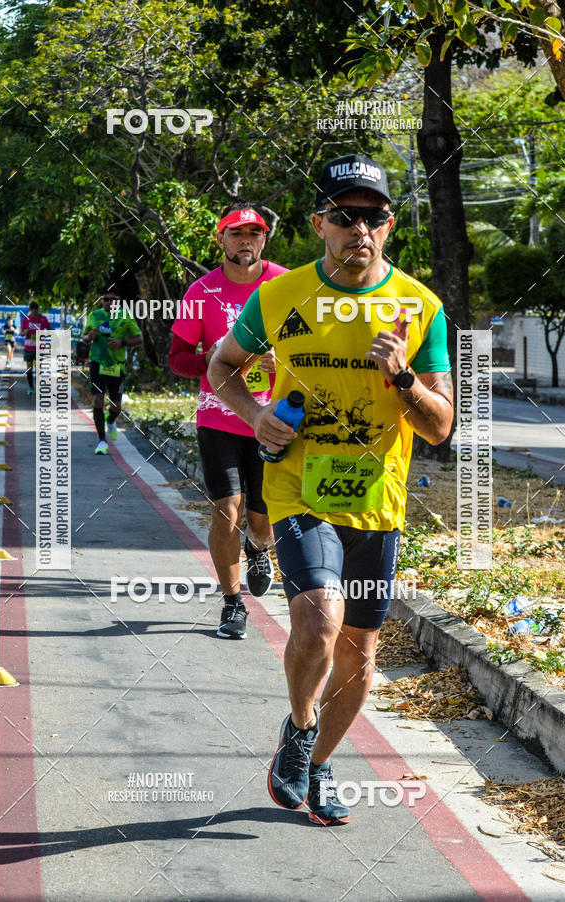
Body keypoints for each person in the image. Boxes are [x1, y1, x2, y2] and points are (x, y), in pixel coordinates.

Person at [208, 154, 454, 824]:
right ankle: (298, 724)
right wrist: (257, 415)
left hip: (378, 500)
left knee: (361, 658)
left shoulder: (420, 307)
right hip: (298, 489)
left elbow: (440, 427)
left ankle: (314, 762)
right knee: (319, 617)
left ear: (390, 225)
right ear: (320, 225)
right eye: (345, 216)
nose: (360, 228)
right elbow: (222, 366)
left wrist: (403, 378)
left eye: (373, 216)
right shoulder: (281, 298)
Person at [168, 202, 288, 640]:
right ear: (221, 240)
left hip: (274, 419)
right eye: (236, 234)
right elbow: (178, 360)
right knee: (226, 510)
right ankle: (232, 603)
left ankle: (258, 548)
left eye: (253, 234)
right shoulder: (201, 293)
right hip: (219, 417)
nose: (245, 242)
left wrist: (283, 361)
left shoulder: (287, 286)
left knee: (262, 518)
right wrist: (216, 357)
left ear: (264, 240)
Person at [83, 287, 143, 454]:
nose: (109, 302)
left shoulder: (125, 315)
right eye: (106, 299)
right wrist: (90, 337)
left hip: (117, 365)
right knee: (98, 400)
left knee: (116, 405)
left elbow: (139, 338)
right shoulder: (94, 316)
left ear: (118, 300)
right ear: (101, 300)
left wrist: (122, 342)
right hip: (97, 363)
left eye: (113, 299)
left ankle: (111, 419)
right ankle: (102, 441)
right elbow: (85, 336)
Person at [21, 301, 51, 394]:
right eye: (32, 310)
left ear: (38, 309)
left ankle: (38, 385)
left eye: (36, 310)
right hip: (28, 347)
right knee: (29, 368)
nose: (34, 312)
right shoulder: (26, 319)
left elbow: (50, 330)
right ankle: (30, 387)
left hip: (39, 348)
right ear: (30, 310)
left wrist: (45, 334)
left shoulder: (43, 319)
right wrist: (25, 332)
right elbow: (21, 333)